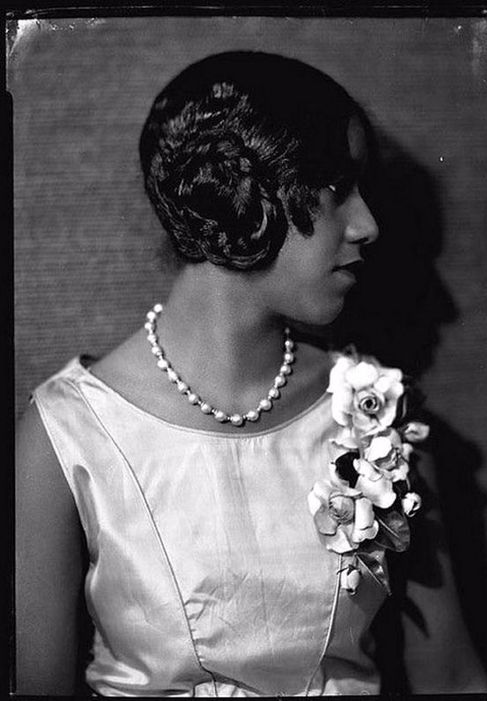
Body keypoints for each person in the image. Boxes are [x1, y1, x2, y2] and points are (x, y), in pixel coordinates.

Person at [15, 51, 425, 696]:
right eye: (337, 187)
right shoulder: (65, 433)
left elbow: (458, 678)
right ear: (241, 192)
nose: (368, 224)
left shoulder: (376, 413)